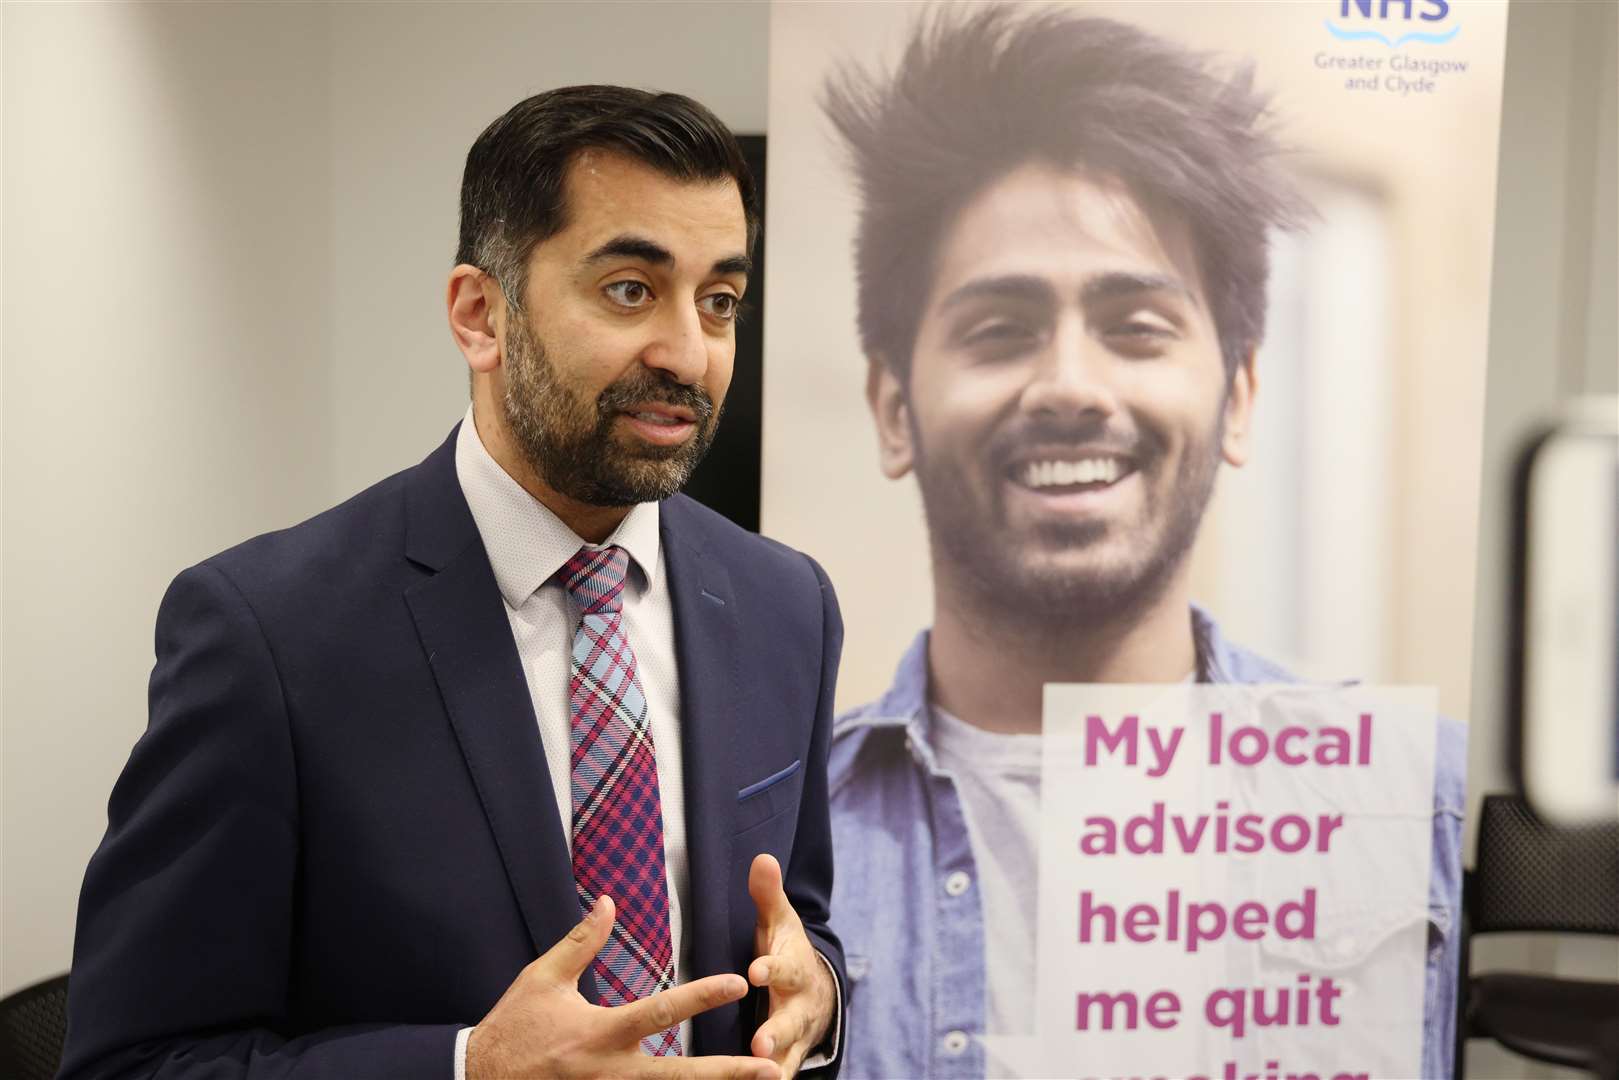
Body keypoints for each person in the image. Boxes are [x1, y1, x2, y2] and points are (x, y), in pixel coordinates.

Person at [61, 86, 842, 1080]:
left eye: (719, 301)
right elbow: (132, 1063)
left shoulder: (785, 607)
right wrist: (470, 1067)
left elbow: (800, 925)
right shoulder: (271, 636)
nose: (688, 353)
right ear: (481, 315)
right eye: (629, 291)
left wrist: (815, 984)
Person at [819, 9, 1465, 1079]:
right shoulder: (765, 852)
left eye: (1136, 327)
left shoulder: (1421, 812)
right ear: (893, 407)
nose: (1070, 383)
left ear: (1240, 396)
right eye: (999, 329)